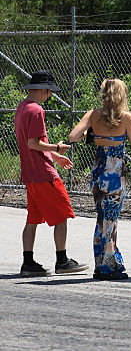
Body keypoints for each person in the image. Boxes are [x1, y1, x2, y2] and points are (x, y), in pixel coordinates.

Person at [14, 70, 89, 276]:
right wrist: (56, 148)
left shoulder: (21, 108)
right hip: (44, 174)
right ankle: (62, 261)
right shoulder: (37, 110)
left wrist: (56, 157)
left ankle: (27, 262)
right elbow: (33, 143)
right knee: (62, 215)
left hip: (29, 174)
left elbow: (31, 144)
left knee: (32, 219)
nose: (50, 96)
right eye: (49, 92)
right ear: (43, 89)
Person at [69, 78, 131, 280]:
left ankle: (101, 263)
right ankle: (108, 267)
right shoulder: (125, 117)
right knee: (111, 220)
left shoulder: (93, 115)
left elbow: (73, 136)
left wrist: (90, 133)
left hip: (99, 171)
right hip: (116, 175)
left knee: (102, 219)